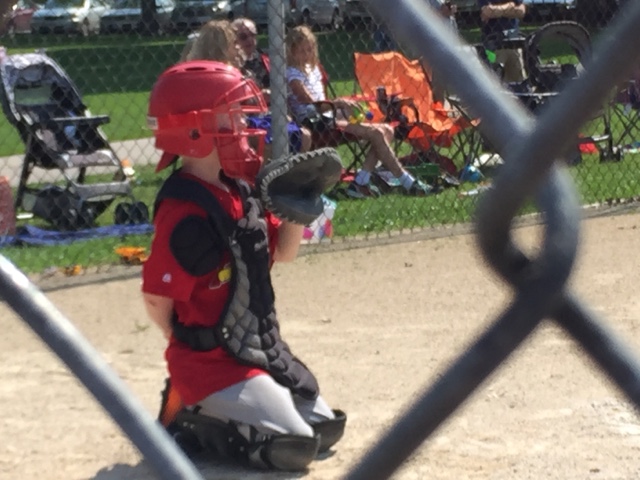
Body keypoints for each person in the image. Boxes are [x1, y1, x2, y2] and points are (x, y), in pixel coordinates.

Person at [142, 60, 346, 471]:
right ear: (194, 128)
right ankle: (188, 408)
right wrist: (183, 340)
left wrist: (297, 207)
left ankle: (227, 404)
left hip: (256, 350)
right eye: (232, 115)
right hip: (208, 364)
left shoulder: (240, 191)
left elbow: (282, 254)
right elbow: (155, 297)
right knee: (293, 447)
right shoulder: (185, 209)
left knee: (325, 429)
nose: (244, 124)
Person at [286, 25, 432, 198]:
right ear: (292, 52)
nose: (306, 54)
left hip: (329, 115)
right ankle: (406, 181)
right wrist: (339, 103)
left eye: (309, 49)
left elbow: (324, 102)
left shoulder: (314, 69)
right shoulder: (292, 73)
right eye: (301, 51)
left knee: (387, 130)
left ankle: (361, 182)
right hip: (314, 122)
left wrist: (341, 106)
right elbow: (310, 101)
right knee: (377, 133)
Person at [182, 19, 312, 156]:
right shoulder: (215, 74)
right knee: (271, 141)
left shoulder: (238, 66)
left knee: (303, 135)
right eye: (235, 42)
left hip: (247, 119)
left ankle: (288, 167)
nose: (239, 47)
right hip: (229, 125)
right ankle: (271, 168)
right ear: (221, 47)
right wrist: (257, 97)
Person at [478, 0, 527, 83]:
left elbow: (521, 11)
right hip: (492, 45)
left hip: (514, 43)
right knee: (493, 81)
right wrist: (511, 5)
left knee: (519, 82)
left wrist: (498, 10)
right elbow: (488, 11)